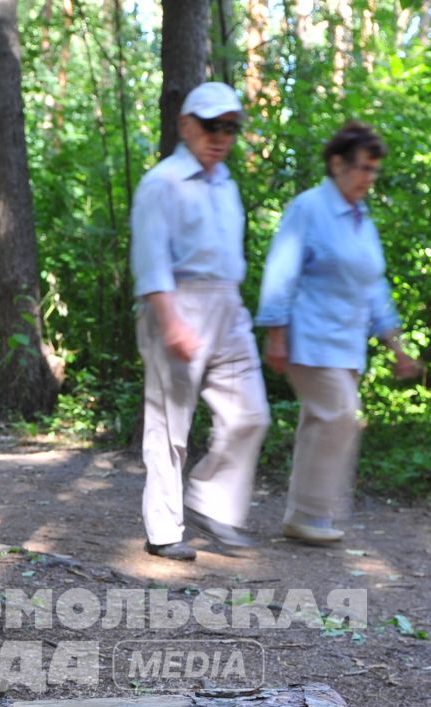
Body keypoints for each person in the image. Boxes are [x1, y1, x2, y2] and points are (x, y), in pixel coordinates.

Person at [256, 120, 420, 546]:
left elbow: (374, 286)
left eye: (374, 170)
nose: (369, 178)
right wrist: (275, 333)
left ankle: (305, 514)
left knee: (322, 420)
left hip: (347, 344)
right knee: (340, 414)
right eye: (363, 168)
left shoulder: (361, 220)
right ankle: (312, 514)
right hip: (307, 337)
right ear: (337, 164)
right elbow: (281, 271)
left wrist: (397, 348)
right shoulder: (309, 208)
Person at [128, 82, 271, 562]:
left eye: (231, 127)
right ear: (186, 126)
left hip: (228, 308)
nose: (222, 136)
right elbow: (150, 261)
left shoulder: (227, 184)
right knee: (170, 427)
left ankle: (211, 499)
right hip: (177, 303)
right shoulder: (162, 183)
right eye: (212, 126)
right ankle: (165, 530)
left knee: (251, 413)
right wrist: (170, 321)